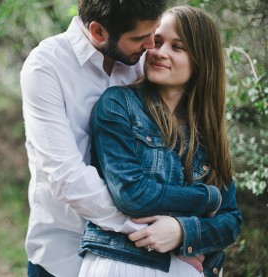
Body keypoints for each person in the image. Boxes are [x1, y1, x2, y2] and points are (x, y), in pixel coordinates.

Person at [78, 6, 242, 277]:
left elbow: (231, 221)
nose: (158, 51)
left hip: (185, 269)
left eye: (177, 47)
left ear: (202, 60)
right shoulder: (119, 104)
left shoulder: (207, 131)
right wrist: (209, 198)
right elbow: (132, 194)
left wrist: (182, 231)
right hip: (123, 262)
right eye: (157, 40)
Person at [20, 0, 170, 276]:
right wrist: (146, 227)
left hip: (134, 262)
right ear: (99, 31)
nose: (151, 45)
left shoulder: (142, 63)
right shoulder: (45, 67)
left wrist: (184, 230)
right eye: (139, 37)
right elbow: (66, 176)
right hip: (63, 254)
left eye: (154, 32)